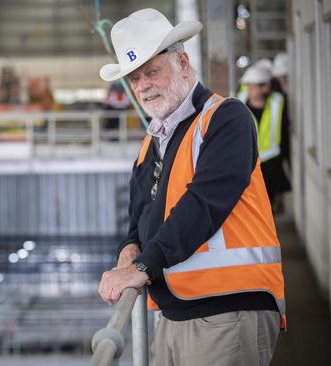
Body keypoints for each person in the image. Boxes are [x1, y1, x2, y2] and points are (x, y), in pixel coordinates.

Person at [96, 8, 286, 366]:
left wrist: (140, 269)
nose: (143, 86)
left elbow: (203, 205)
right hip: (173, 312)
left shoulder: (226, 118)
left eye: (152, 71)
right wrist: (129, 248)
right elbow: (140, 219)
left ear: (183, 63)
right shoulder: (151, 142)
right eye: (135, 78)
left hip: (228, 311)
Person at [240, 64, 291, 208]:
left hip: (271, 162)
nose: (249, 89)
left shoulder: (277, 103)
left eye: (253, 86)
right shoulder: (240, 105)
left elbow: (285, 131)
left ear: (264, 87)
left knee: (269, 205)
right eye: (248, 86)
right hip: (249, 163)